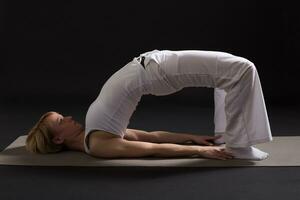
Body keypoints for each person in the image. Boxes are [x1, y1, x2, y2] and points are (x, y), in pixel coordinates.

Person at [26, 49, 273, 161]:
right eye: (60, 121)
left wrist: (193, 138)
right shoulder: (98, 145)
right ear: (58, 139)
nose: (68, 117)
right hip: (156, 72)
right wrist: (199, 153)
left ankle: (225, 136)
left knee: (230, 73)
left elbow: (151, 136)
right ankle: (239, 147)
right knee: (242, 69)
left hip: (152, 65)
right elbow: (149, 149)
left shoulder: (95, 133)